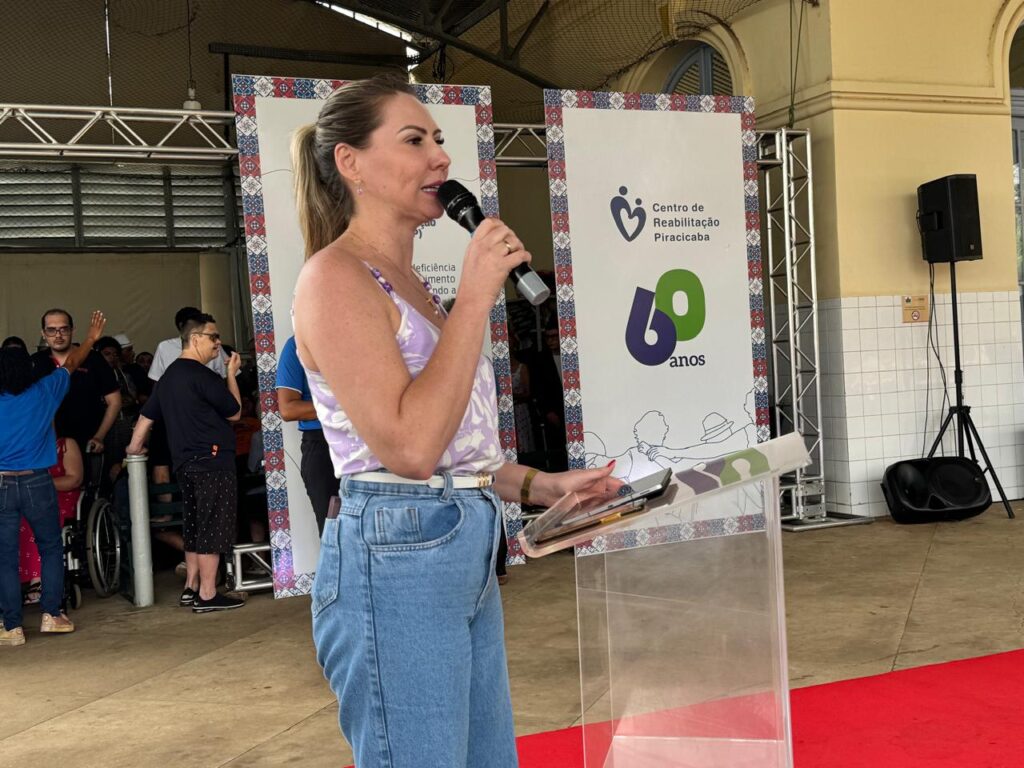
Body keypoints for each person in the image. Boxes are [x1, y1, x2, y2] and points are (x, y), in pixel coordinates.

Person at [290, 75, 621, 768]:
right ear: (350, 163)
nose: (441, 158)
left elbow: (457, 451)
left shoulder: (413, 285)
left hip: (461, 543)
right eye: (414, 140)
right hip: (395, 553)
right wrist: (476, 297)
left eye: (439, 139)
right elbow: (409, 449)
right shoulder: (334, 278)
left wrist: (543, 486)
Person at [126, 313, 246, 614]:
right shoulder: (203, 376)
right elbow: (234, 413)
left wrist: (133, 448)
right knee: (212, 526)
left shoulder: (167, 378)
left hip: (186, 463)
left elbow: (146, 417)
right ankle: (207, 593)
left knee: (194, 523)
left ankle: (191, 588)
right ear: (195, 339)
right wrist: (232, 374)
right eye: (213, 337)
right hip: (213, 459)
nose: (218, 344)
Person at [0, 310, 106, 647]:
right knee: (49, 547)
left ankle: (10, 626)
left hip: (2, 483)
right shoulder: (45, 391)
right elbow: (71, 364)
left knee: (5, 555)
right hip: (37, 482)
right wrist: (90, 338)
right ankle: (52, 615)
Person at [30, 308, 121, 458]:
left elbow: (115, 401)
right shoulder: (36, 362)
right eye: (51, 330)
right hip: (48, 444)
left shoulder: (94, 359)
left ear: (72, 330)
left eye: (63, 329)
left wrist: (99, 436)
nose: (58, 335)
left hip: (89, 441)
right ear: (43, 333)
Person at [275, 335, 335, 535]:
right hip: (322, 444)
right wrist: (346, 407)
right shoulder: (298, 344)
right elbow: (288, 409)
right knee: (332, 531)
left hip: (366, 440)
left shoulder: (361, 339)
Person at [19, 437, 83, 604]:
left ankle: (38, 580)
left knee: (36, 520)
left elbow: (74, 479)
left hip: (61, 497)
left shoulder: (65, 445)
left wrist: (39, 484)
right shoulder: (23, 447)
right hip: (29, 498)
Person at [96, 335, 141, 482]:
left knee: (126, 466)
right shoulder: (93, 376)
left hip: (126, 425)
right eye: (107, 354)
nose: (112, 358)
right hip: (105, 427)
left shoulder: (124, 375)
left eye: (115, 354)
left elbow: (133, 398)